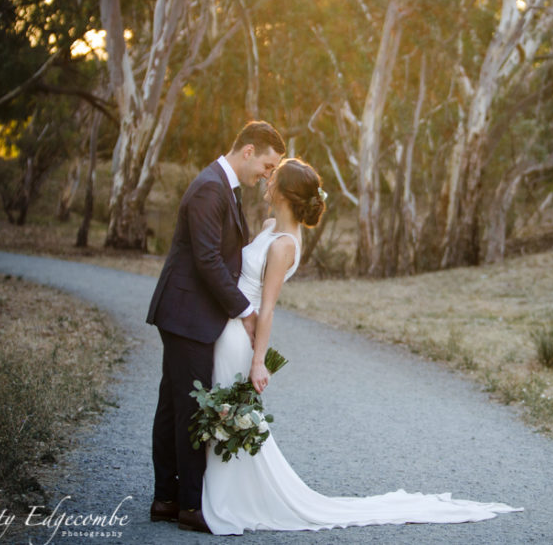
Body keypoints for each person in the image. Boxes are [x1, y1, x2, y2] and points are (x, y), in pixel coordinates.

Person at [201, 157, 522, 534]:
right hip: (230, 324)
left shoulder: (285, 244)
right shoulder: (271, 227)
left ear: (286, 195)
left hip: (241, 335)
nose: (266, 183)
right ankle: (223, 488)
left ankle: (230, 496)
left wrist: (259, 362)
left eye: (273, 180)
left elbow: (268, 310)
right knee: (224, 410)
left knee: (227, 410)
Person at [146, 121, 285, 533]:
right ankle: (189, 505)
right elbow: (207, 260)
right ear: (247, 151)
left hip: (187, 313)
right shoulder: (210, 187)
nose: (267, 173)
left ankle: (167, 499)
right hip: (186, 314)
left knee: (173, 405)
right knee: (186, 409)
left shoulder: (224, 186)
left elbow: (224, 254)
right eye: (266, 164)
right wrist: (245, 311)